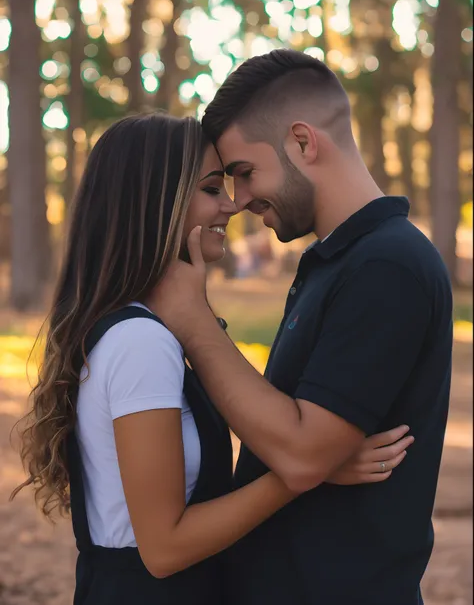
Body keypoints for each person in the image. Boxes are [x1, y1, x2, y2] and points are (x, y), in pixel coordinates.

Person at [11, 113, 412, 605]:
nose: (231, 205)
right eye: (210, 189)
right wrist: (305, 471)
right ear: (157, 204)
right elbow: (164, 547)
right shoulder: (140, 343)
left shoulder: (142, 329)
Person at [148, 50, 453, 605]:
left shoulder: (386, 266)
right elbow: (297, 444)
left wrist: (194, 322)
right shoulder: (336, 262)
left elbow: (301, 453)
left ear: (303, 143)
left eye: (243, 173)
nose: (238, 202)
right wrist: (315, 456)